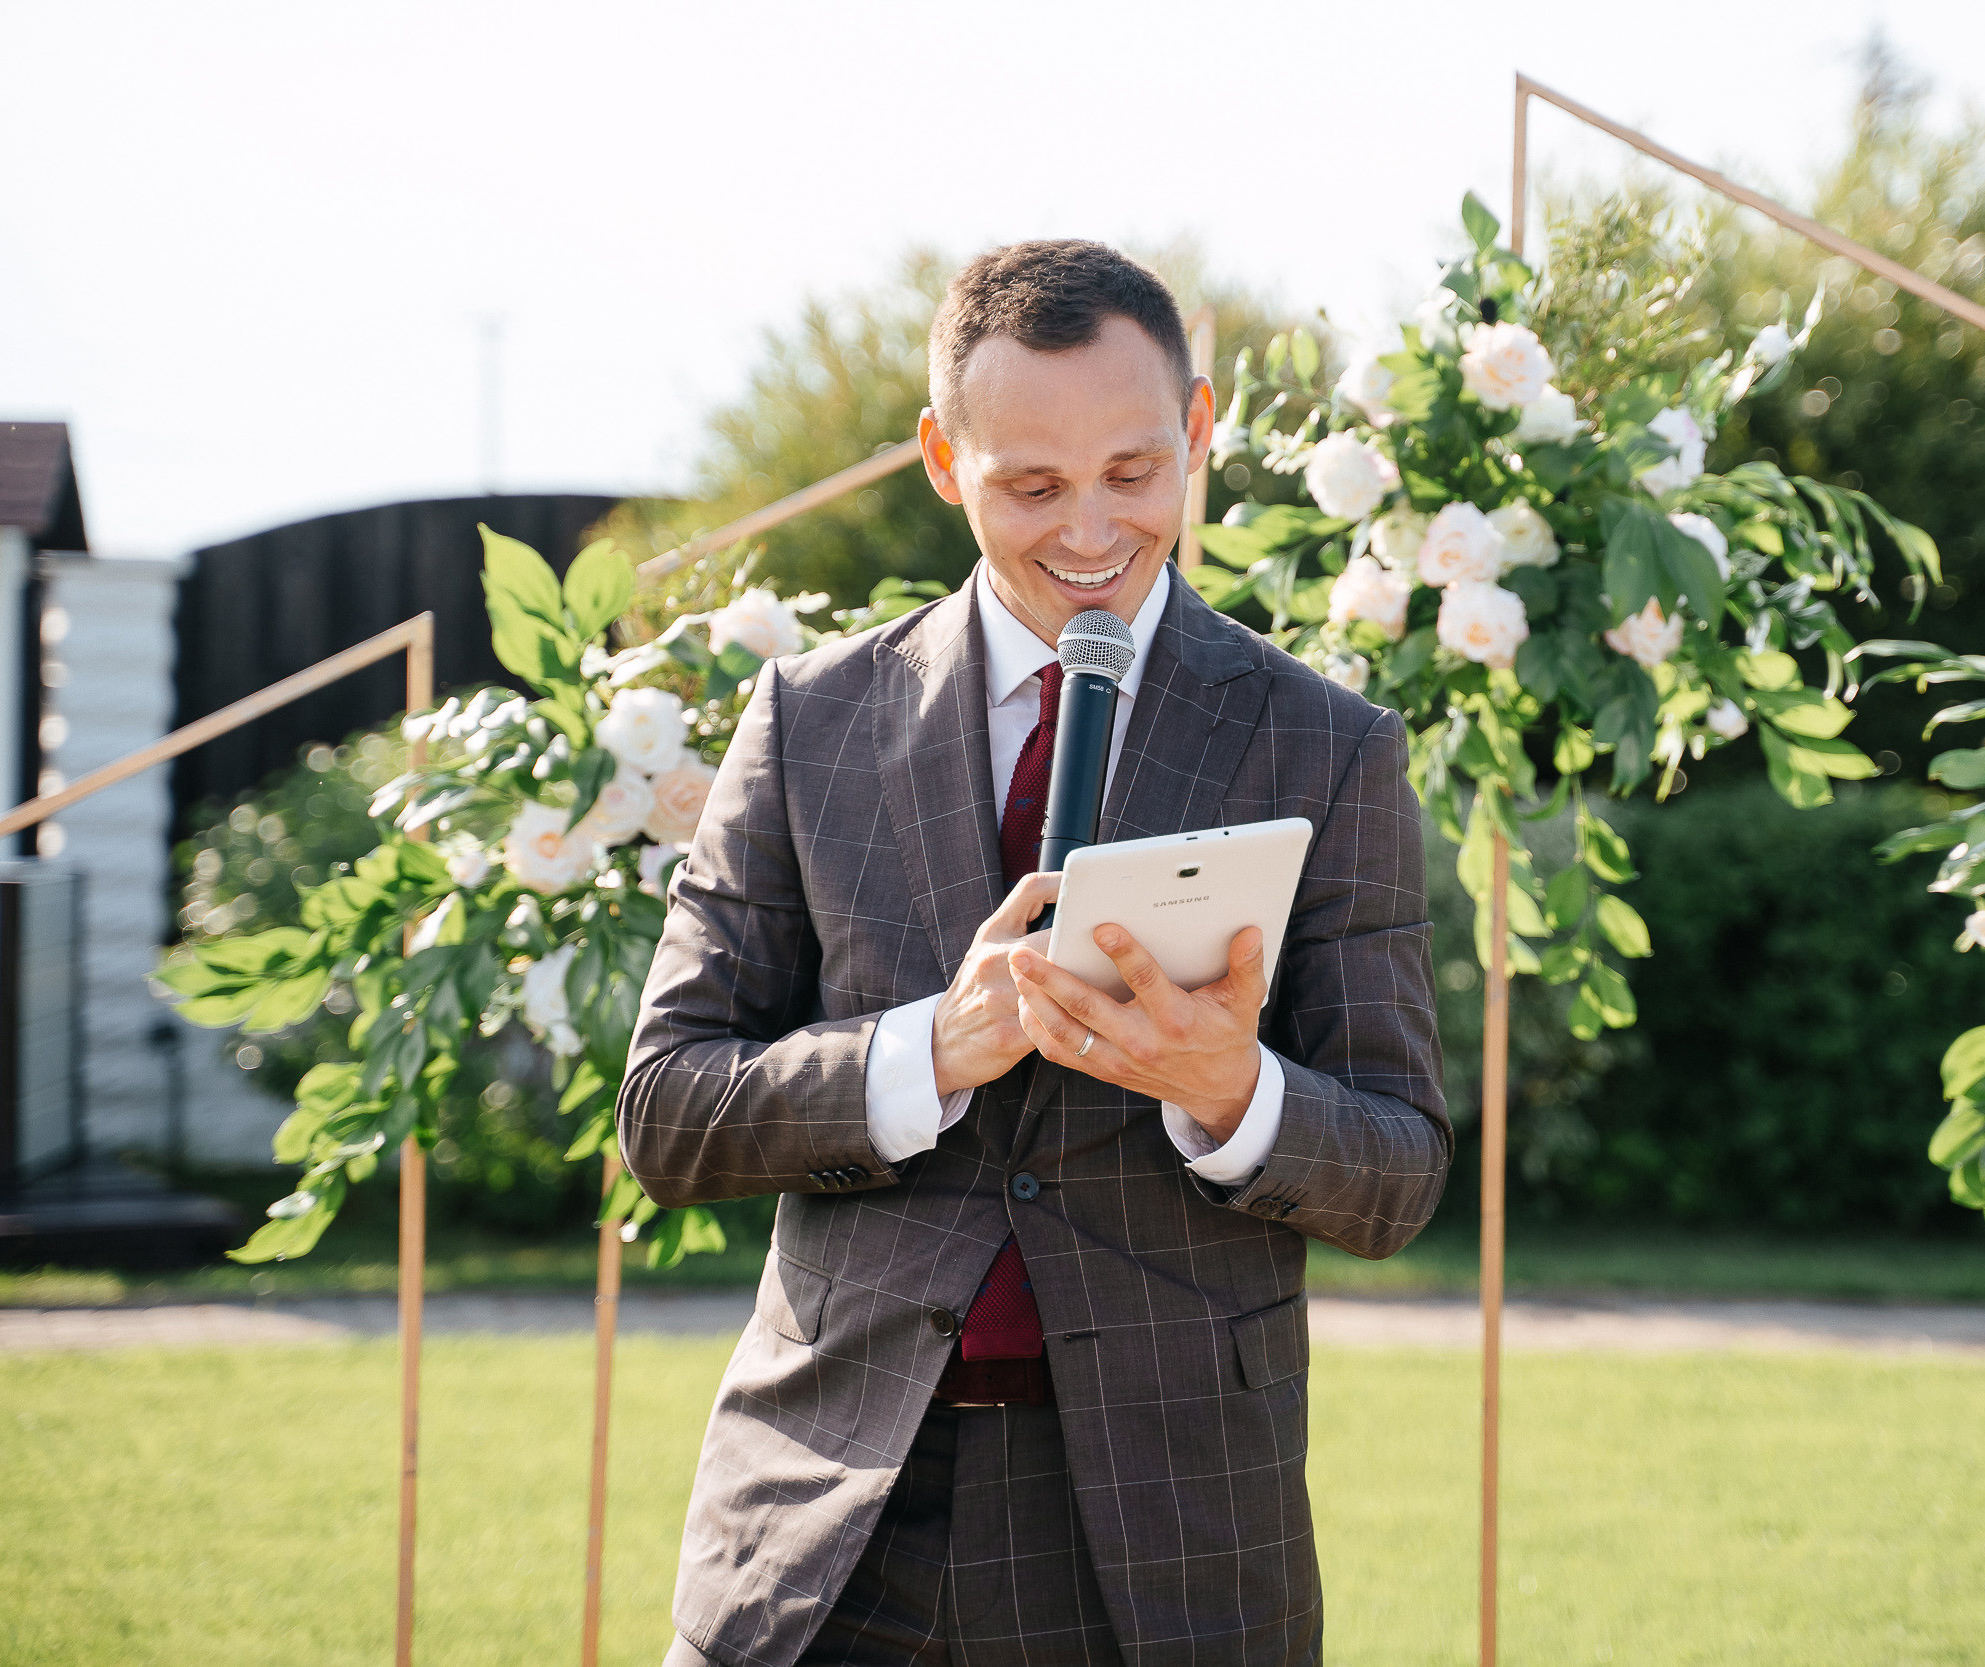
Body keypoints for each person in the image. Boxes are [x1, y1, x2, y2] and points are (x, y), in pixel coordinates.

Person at [620, 240, 1449, 1667]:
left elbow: (1400, 1172)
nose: (1088, 531)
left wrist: (1234, 1092)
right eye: (1031, 485)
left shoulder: (1332, 749)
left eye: (1134, 474)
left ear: (1200, 429)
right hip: (823, 1528)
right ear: (944, 458)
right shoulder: (807, 721)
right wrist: (923, 1052)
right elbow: (666, 1113)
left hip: (1167, 1542)